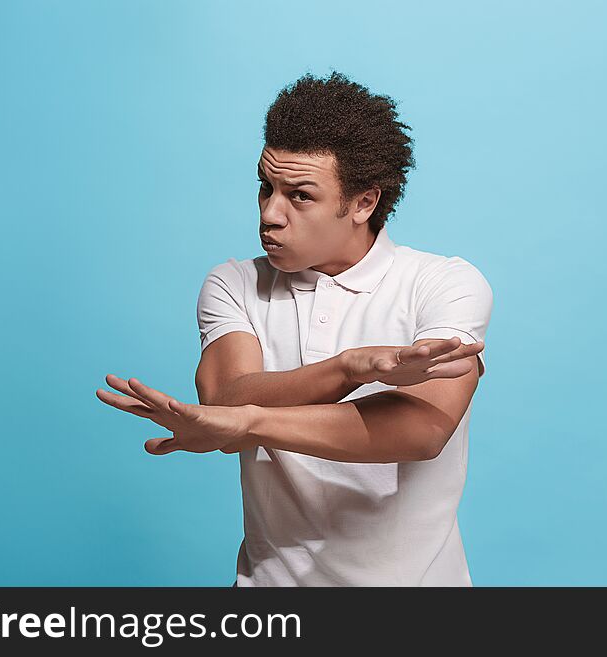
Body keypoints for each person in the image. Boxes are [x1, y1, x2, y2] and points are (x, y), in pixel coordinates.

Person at [96, 71, 493, 586]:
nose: (270, 214)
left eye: (299, 196)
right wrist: (348, 367)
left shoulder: (444, 284)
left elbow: (423, 429)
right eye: (266, 188)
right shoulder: (234, 282)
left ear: (363, 203)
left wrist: (250, 423)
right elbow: (225, 397)